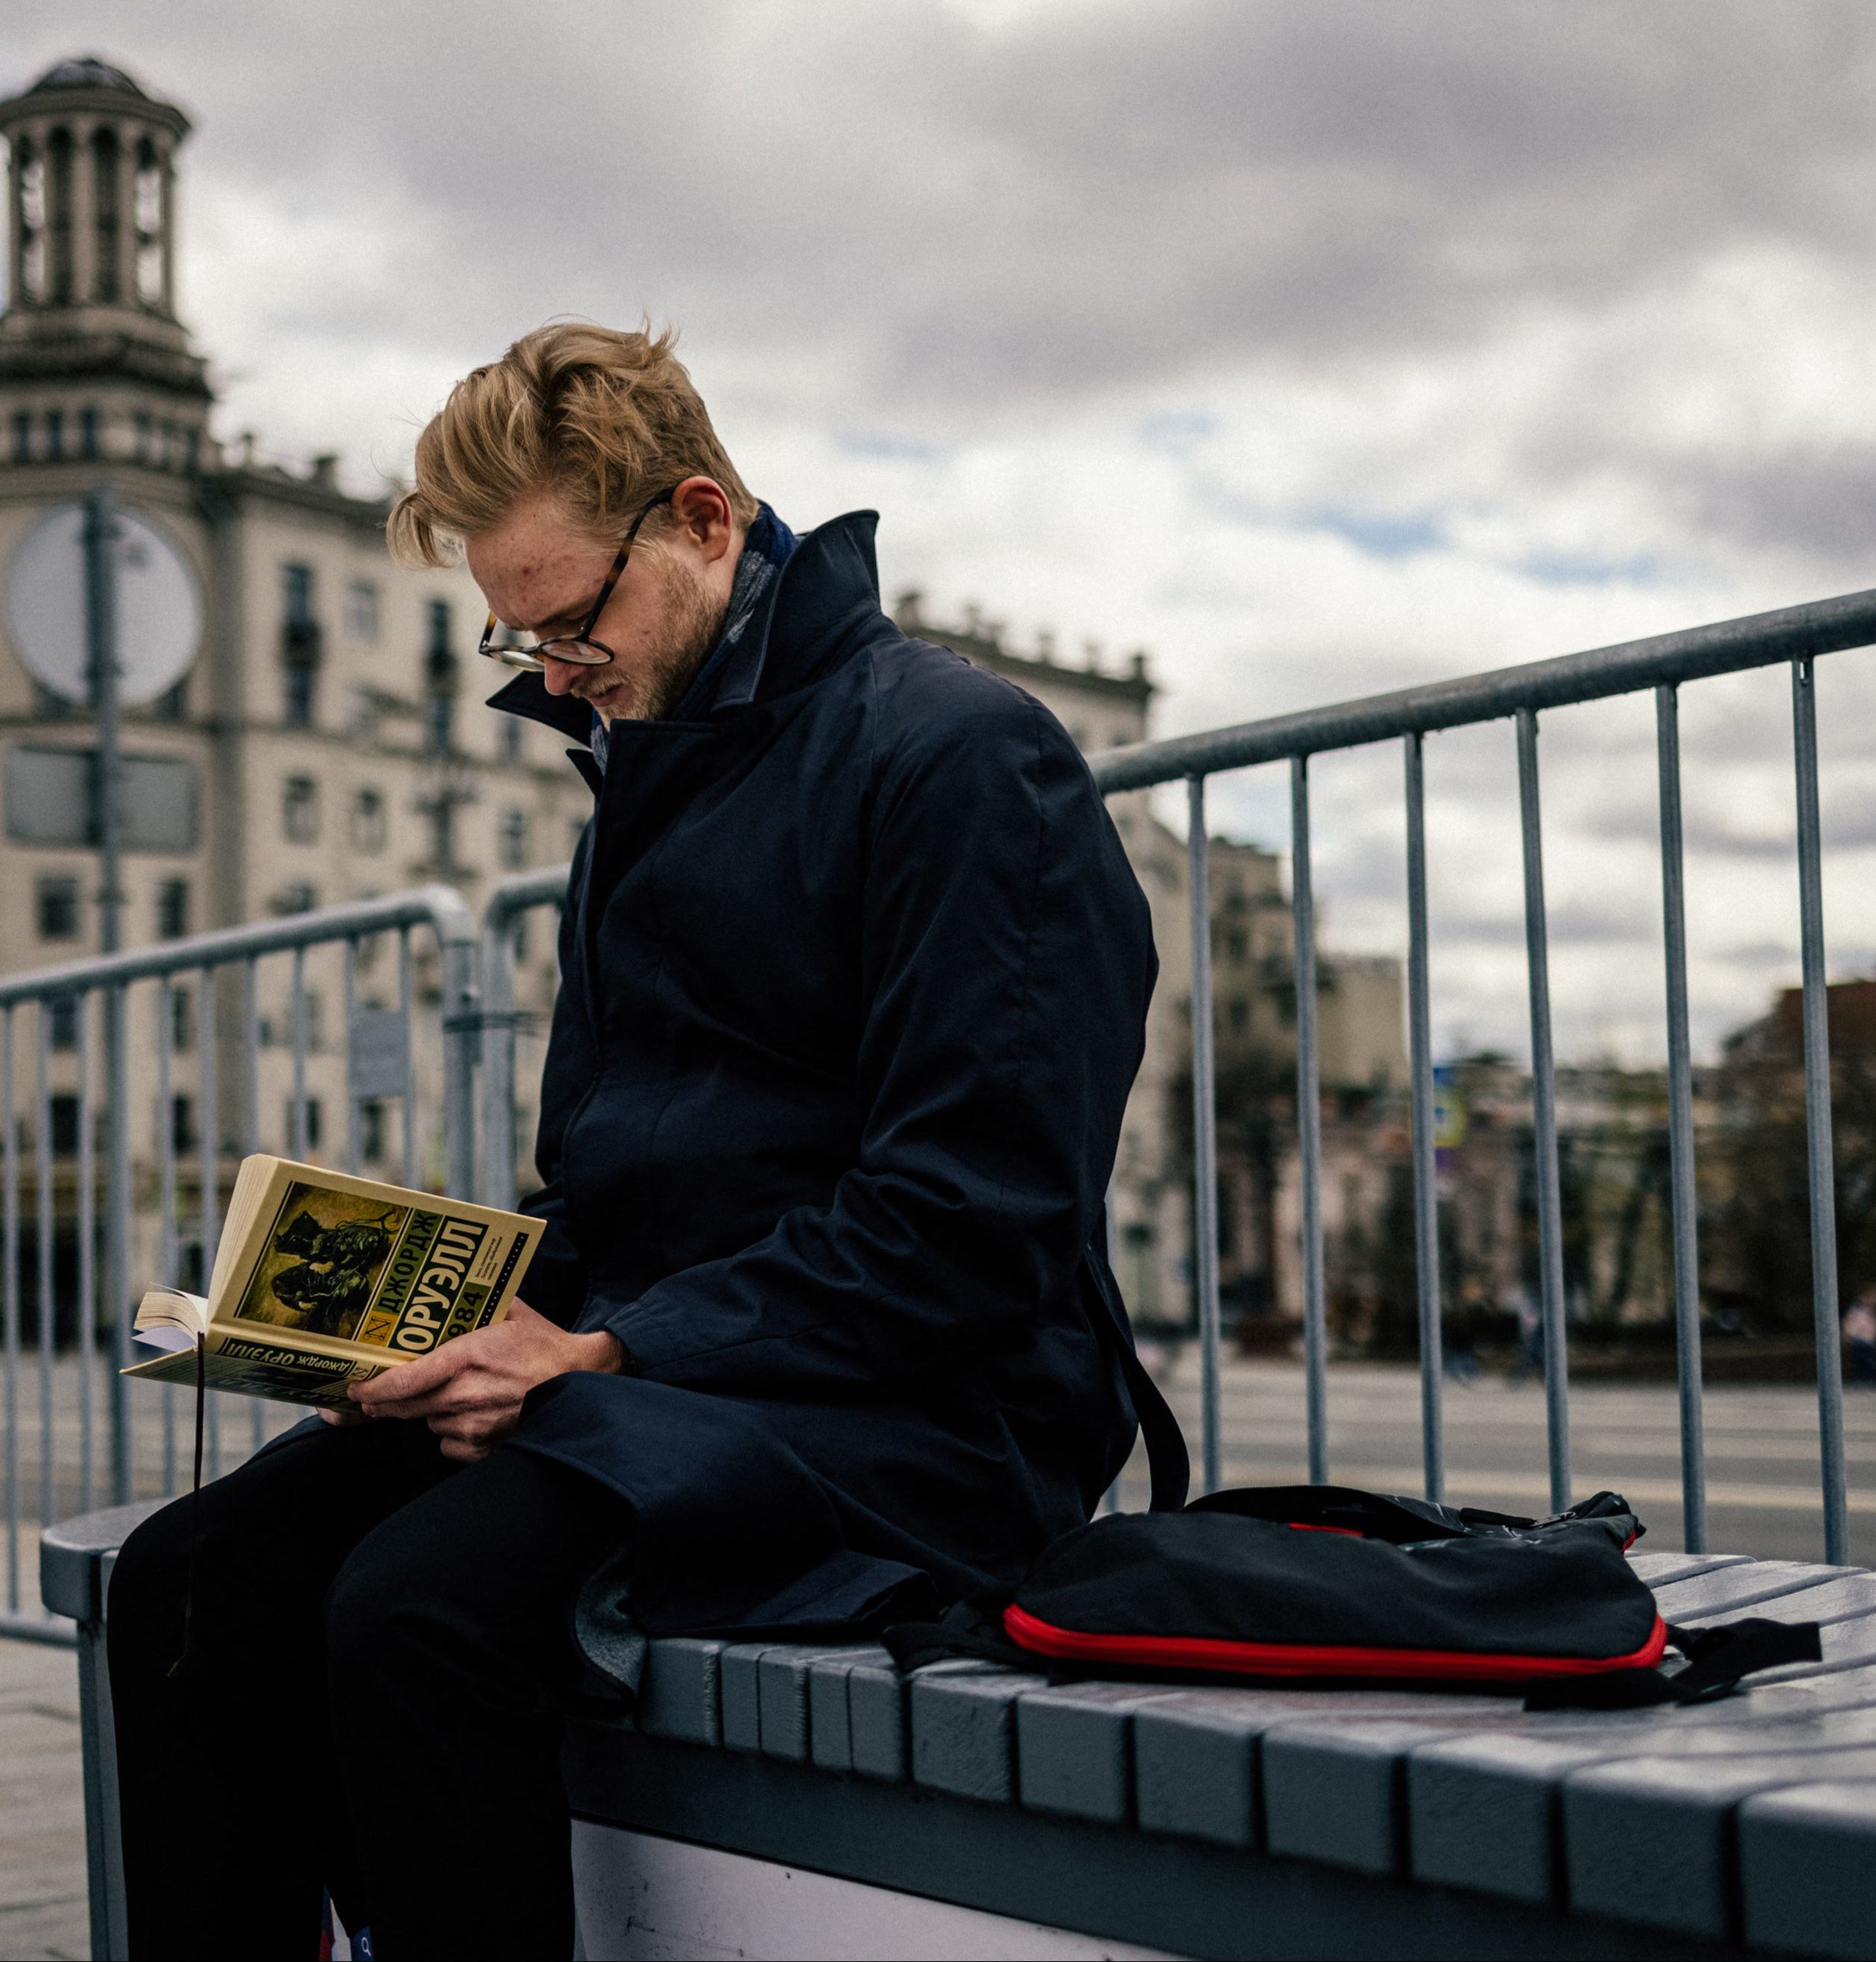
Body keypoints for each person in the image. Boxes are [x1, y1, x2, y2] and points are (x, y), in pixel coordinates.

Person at [103, 322, 1160, 1958]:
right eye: (511, 635)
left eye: (568, 619)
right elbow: (609, 1177)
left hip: (922, 1410)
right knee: (187, 1578)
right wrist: (439, 1326)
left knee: (415, 1610)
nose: (550, 667)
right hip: (668, 1378)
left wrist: (601, 1345)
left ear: (702, 520)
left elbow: (973, 1218)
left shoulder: (960, 758)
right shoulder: (646, 778)